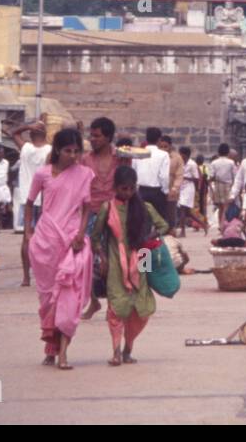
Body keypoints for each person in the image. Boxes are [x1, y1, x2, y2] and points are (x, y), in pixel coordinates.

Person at [25, 128, 93, 370]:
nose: (72, 156)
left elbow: (87, 207)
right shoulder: (42, 174)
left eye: (76, 151)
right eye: (67, 151)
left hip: (71, 241)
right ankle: (50, 349)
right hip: (45, 241)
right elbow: (30, 202)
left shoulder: (84, 174)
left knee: (69, 297)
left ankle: (63, 353)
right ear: (57, 150)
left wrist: (81, 233)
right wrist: (27, 233)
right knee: (47, 300)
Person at [92, 165, 167, 366]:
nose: (128, 193)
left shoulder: (145, 207)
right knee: (116, 306)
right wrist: (102, 257)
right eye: (123, 189)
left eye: (131, 188)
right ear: (115, 187)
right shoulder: (107, 208)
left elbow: (164, 225)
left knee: (142, 307)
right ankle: (116, 351)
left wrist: (150, 237)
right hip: (116, 260)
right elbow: (95, 237)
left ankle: (128, 349)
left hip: (142, 255)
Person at [81, 117, 118, 321]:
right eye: (91, 135)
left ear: (108, 138)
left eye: (97, 136)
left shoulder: (120, 157)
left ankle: (113, 303)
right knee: (86, 261)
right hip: (91, 214)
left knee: (113, 260)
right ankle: (93, 300)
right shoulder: (85, 160)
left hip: (113, 214)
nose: (92, 139)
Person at [12, 122, 50, 234]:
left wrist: (27, 126)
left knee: (28, 233)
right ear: (45, 134)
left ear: (31, 134)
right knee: (43, 233)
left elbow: (14, 133)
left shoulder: (25, 148)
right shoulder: (51, 150)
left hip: (27, 197)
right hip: (44, 197)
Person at [133, 127, 172, 229]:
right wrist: (165, 191)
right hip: (157, 192)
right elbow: (164, 176)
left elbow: (134, 172)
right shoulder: (163, 155)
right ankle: (158, 243)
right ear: (159, 140)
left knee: (144, 221)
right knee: (160, 222)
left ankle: (144, 243)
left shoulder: (138, 153)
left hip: (141, 191)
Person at [209, 143, 239, 227]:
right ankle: (224, 224)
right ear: (227, 152)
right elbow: (235, 176)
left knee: (220, 208)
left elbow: (211, 176)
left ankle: (220, 224)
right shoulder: (231, 162)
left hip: (218, 185)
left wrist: (211, 188)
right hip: (228, 185)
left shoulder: (214, 163)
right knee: (226, 206)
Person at [162, 136, 185, 229]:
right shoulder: (157, 156)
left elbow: (179, 175)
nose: (163, 149)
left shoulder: (177, 158)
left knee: (171, 213)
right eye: (161, 147)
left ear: (170, 146)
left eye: (165, 146)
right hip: (159, 189)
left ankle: (172, 231)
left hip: (172, 189)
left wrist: (175, 188)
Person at [177, 146, 199, 237]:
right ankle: (204, 224)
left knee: (182, 208)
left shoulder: (192, 164)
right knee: (187, 212)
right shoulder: (179, 163)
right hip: (180, 187)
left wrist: (185, 177)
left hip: (189, 188)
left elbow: (196, 178)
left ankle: (183, 231)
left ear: (186, 155)